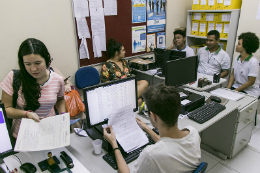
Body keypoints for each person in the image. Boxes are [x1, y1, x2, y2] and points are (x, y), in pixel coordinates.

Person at [103, 84, 201, 173]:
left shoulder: (151, 154)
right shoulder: (193, 132)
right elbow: (170, 144)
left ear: (153, 116)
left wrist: (114, 144)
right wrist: (146, 128)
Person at [0, 38, 66, 138]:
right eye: (27, 64)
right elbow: (5, 110)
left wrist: (63, 115)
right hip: (22, 134)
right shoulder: (13, 78)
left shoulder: (58, 79)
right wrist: (26, 114)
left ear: (47, 59)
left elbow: (60, 100)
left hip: (49, 131)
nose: (33, 69)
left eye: (37, 63)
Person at [100, 39, 148, 106]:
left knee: (144, 82)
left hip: (128, 87)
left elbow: (131, 75)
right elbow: (105, 85)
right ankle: (128, 101)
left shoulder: (124, 62)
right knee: (139, 101)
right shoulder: (106, 66)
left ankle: (128, 101)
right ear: (117, 53)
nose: (125, 52)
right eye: (122, 50)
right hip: (118, 91)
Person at [49, 62, 86, 130]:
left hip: (64, 99)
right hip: (55, 104)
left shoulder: (54, 70)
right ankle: (77, 128)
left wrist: (67, 84)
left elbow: (69, 83)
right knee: (70, 109)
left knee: (73, 104)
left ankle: (85, 127)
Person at [227, 32, 260, 98]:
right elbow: (233, 75)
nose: (236, 45)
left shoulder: (253, 62)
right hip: (237, 86)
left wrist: (234, 91)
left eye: (239, 44)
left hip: (250, 91)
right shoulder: (237, 58)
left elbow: (250, 82)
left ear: (245, 47)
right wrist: (227, 89)